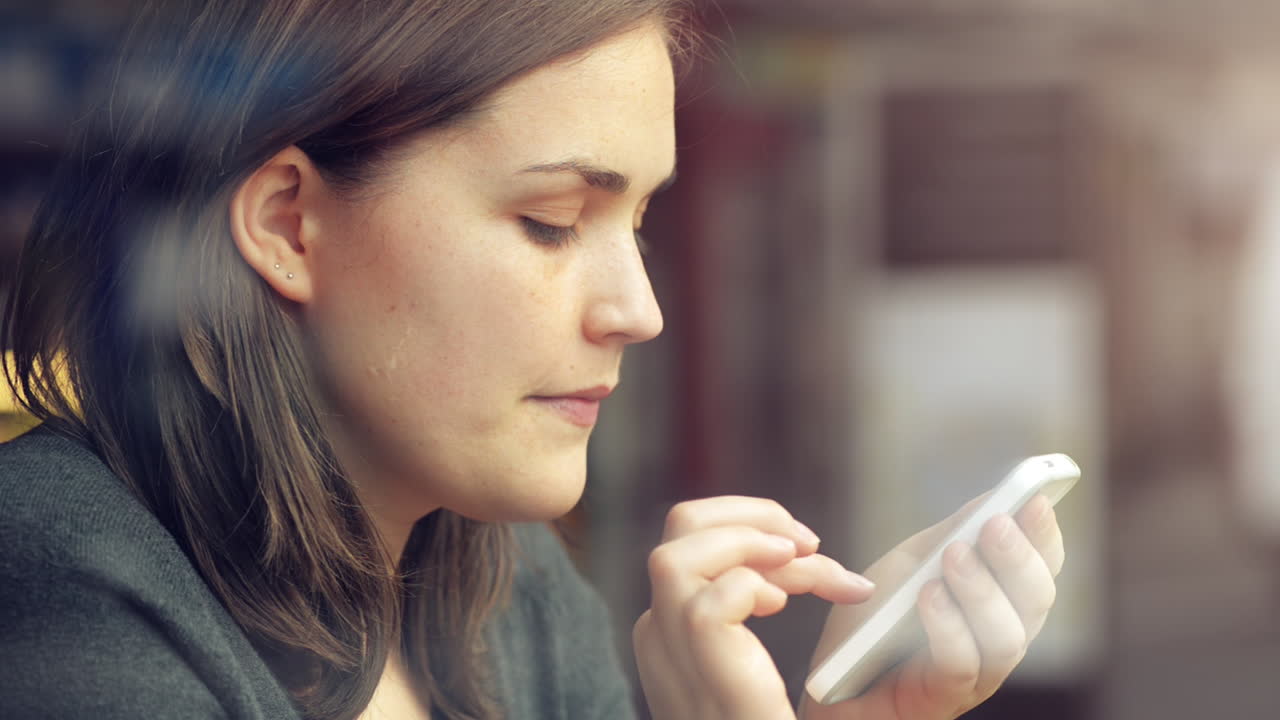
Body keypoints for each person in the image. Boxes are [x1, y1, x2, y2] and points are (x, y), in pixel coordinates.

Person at [0, 1, 1066, 719]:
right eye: (554, 221)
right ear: (287, 224)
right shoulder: (52, 582)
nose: (638, 311)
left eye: (639, 222)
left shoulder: (507, 592)